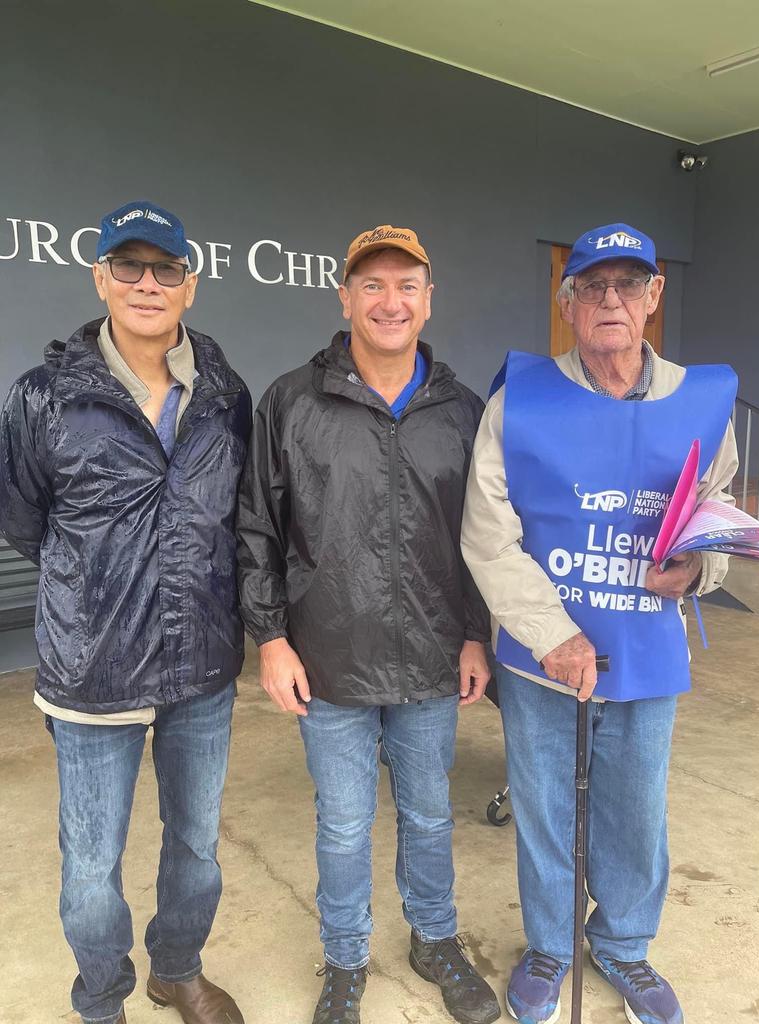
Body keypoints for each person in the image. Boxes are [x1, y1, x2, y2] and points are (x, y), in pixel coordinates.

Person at [461, 222, 738, 1024]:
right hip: (539, 659)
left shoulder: (701, 401)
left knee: (635, 811)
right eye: (592, 286)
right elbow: (486, 529)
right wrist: (552, 632)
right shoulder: (521, 401)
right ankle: (549, 946)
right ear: (568, 303)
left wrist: (697, 570)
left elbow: (713, 517)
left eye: (628, 285)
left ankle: (622, 944)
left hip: (647, 652)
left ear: (654, 297)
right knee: (546, 807)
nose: (609, 300)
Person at [237, 225, 501, 1024]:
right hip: (328, 656)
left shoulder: (462, 409)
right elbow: (258, 527)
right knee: (344, 822)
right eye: (374, 285)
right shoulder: (291, 400)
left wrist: (474, 632)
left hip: (430, 653)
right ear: (344, 297)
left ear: (429, 300)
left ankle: (436, 938)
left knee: (427, 812)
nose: (391, 301)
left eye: (407, 285)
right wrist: (272, 638)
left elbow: (488, 530)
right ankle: (346, 957)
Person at [0, 201, 251, 1024]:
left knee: (197, 851)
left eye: (166, 268)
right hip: (91, 669)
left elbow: (235, 514)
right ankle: (100, 998)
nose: (149, 283)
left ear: (191, 285)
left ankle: (176, 969)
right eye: (129, 266)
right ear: (100, 278)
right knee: (88, 870)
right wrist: (95, 587)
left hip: (202, 665)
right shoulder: (43, 398)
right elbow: (26, 519)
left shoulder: (224, 393)